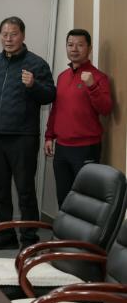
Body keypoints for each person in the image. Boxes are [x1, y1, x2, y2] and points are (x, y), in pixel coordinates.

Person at [0, 16, 56, 250]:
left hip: (23, 136)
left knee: (25, 190)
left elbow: (50, 95)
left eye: (13, 34)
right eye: (4, 34)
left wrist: (33, 85)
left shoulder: (37, 64)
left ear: (22, 35)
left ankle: (29, 239)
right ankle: (6, 236)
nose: (9, 39)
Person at [45, 29, 112, 206]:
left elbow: (106, 109)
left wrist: (92, 86)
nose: (74, 49)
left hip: (86, 148)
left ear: (89, 48)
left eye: (80, 45)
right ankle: (64, 226)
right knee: (63, 198)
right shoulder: (62, 77)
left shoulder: (98, 77)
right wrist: (49, 136)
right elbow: (56, 109)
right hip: (62, 148)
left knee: (86, 199)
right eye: (70, 45)